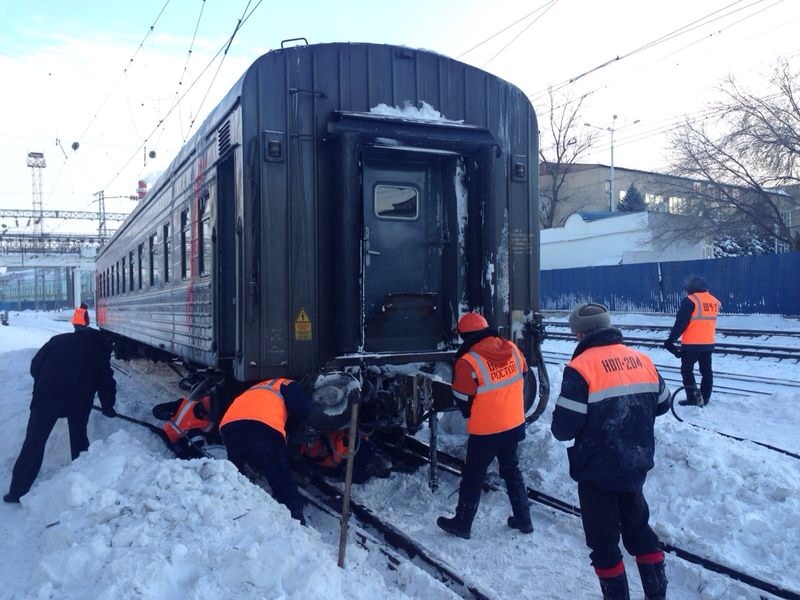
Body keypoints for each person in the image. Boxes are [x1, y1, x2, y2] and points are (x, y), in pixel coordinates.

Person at [552, 303, 670, 600]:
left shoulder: (581, 368)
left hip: (597, 471)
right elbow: (663, 404)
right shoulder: (641, 359)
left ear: (579, 333)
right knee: (639, 532)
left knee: (604, 545)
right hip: (635, 464)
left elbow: (563, 429)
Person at [437, 312, 534, 539]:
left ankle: (462, 524)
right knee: (511, 471)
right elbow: (524, 373)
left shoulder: (468, 361)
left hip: (486, 431)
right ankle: (524, 519)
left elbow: (462, 398)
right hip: (513, 424)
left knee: (473, 475)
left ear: (466, 335)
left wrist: (473, 411)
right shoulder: (511, 347)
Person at [4, 315, 117, 504]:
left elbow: (35, 365)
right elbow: (106, 383)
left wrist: (42, 383)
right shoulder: (99, 350)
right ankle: (79, 486)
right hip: (79, 400)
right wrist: (108, 406)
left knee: (34, 442)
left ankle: (17, 492)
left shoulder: (58, 340)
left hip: (46, 396)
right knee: (79, 437)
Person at [219, 377, 312, 524]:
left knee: (235, 475)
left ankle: (232, 513)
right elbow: (303, 409)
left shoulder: (259, 386)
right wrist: (291, 429)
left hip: (229, 426)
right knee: (279, 475)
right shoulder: (289, 384)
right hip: (264, 427)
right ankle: (296, 520)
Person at [664, 275, 721, 407]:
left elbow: (681, 323)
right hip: (708, 343)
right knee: (706, 371)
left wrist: (671, 340)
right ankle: (704, 399)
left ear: (692, 288)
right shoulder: (714, 301)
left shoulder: (690, 300)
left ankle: (693, 398)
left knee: (687, 371)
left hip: (692, 344)